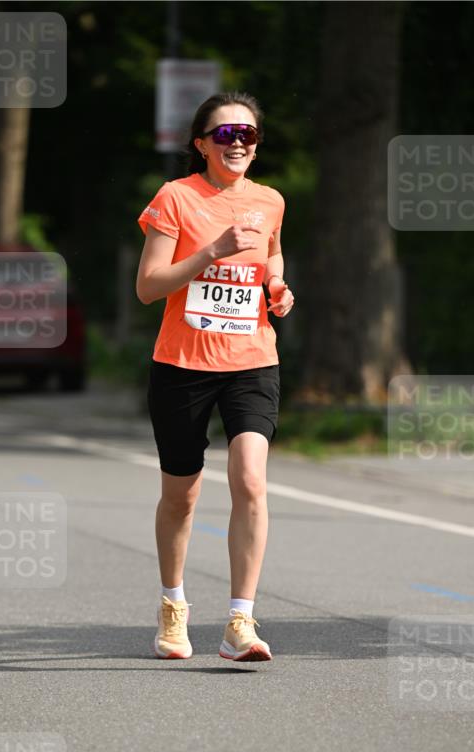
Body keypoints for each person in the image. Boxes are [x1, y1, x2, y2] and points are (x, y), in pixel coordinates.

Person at [136, 91, 294, 663]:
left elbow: (271, 257)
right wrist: (210, 252)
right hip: (182, 365)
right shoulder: (175, 199)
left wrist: (277, 287)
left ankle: (240, 622)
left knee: (251, 479)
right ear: (201, 144)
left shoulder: (270, 201)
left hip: (252, 359)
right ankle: (173, 608)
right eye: (226, 135)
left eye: (248, 135)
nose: (239, 144)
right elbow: (149, 286)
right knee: (181, 495)